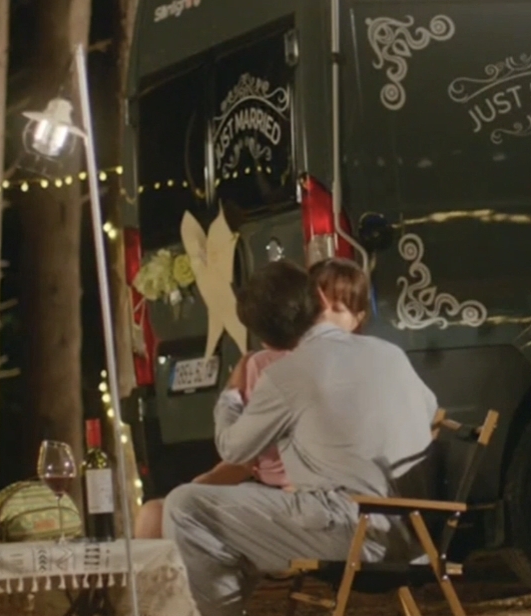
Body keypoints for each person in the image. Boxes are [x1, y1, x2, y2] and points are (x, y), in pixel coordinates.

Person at [162, 258, 438, 616]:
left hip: (354, 534)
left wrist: (231, 396)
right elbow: (430, 412)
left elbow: (233, 448)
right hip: (419, 532)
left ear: (266, 340)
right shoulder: (390, 353)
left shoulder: (286, 374)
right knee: (234, 513)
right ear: (320, 298)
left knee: (185, 506)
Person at [133, 259, 370, 539]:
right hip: (268, 491)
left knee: (182, 510)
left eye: (338, 308)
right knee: (156, 513)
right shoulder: (262, 364)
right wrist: (199, 485)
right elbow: (242, 457)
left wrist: (231, 395)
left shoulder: (347, 366)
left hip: (316, 504)